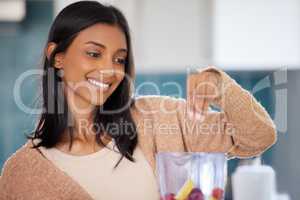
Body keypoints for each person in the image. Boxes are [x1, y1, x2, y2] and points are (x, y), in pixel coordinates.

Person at [0, 1, 277, 199]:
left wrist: (220, 86)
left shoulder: (157, 119)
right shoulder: (21, 174)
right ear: (57, 56)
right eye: (94, 54)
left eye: (119, 59)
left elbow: (258, 136)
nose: (110, 70)